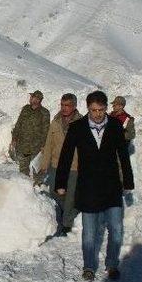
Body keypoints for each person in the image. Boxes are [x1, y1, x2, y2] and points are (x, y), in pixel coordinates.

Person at [55, 90, 134, 282]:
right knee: (89, 233)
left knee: (115, 228)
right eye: (93, 110)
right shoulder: (77, 128)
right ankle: (89, 266)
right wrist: (60, 183)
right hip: (88, 188)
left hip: (111, 186)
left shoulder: (115, 126)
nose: (97, 114)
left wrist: (128, 182)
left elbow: (123, 156)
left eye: (101, 110)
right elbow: (65, 156)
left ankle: (112, 264)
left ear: (106, 108)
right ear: (87, 108)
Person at [38, 93, 82, 236]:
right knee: (56, 194)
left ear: (74, 106)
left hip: (74, 166)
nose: (64, 108)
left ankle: (67, 224)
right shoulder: (55, 122)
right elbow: (49, 144)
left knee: (70, 197)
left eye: (67, 105)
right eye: (62, 105)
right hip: (56, 165)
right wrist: (44, 165)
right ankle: (64, 217)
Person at [11, 90, 50, 177]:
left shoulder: (44, 112)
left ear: (38, 100)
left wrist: (44, 145)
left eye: (32, 97)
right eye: (31, 97)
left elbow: (46, 130)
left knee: (37, 168)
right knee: (23, 169)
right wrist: (14, 138)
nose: (31, 98)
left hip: (36, 147)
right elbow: (18, 124)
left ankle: (38, 187)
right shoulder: (25, 109)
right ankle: (24, 185)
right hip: (23, 145)